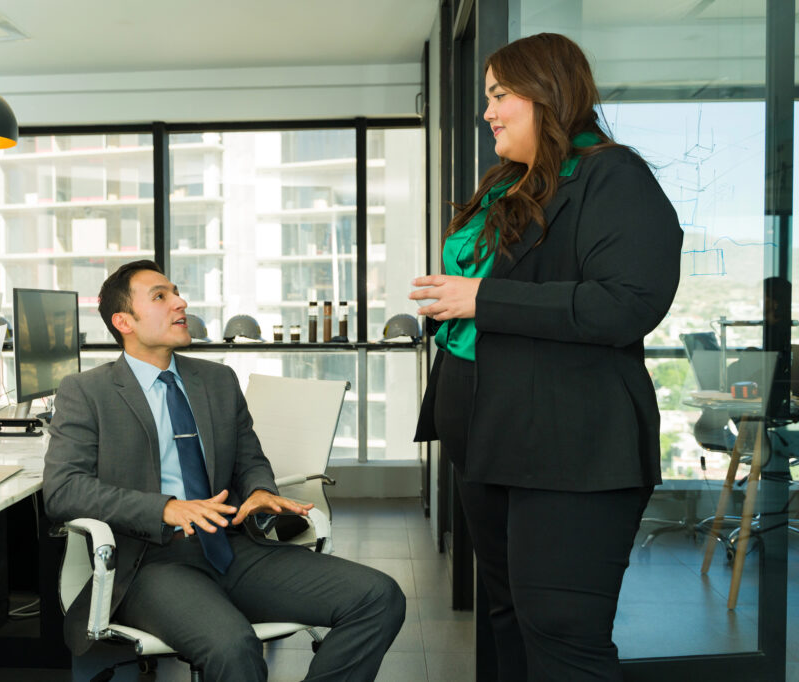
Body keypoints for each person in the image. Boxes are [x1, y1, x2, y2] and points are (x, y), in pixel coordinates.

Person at [411, 33, 682, 681]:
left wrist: (483, 299)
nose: (487, 112)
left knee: (562, 635)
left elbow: (625, 304)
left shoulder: (614, 176)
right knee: (506, 617)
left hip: (571, 450)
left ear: (548, 92)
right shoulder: (513, 185)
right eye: (486, 98)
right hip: (488, 437)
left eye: (499, 95)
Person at [44, 260, 405, 681]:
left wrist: (259, 489)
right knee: (234, 648)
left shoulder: (217, 380)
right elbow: (63, 491)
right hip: (150, 563)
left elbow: (249, 459)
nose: (180, 302)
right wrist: (166, 508)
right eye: (160, 296)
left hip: (232, 548)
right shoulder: (87, 392)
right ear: (123, 321)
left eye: (176, 292)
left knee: (380, 597)